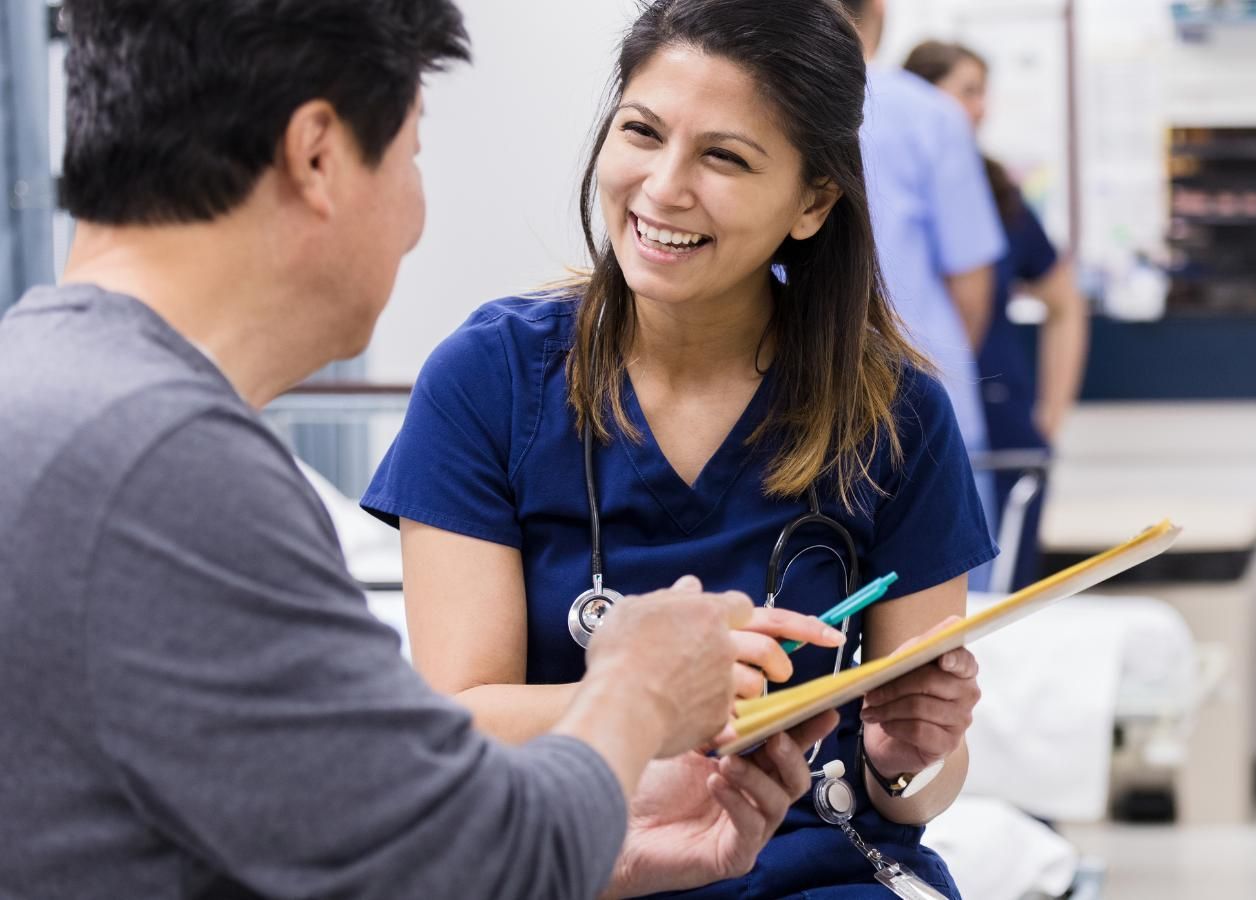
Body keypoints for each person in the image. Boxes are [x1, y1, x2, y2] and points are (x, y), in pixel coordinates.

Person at [0, 2, 831, 898]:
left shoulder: (46, 389)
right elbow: (454, 867)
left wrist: (619, 852)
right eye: (412, 154)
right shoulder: (165, 466)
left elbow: (343, 835)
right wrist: (641, 687)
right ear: (318, 155)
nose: (415, 218)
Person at [361, 0, 993, 895]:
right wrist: (664, 691)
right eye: (642, 132)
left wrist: (905, 756)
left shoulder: (897, 415)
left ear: (813, 201)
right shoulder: (489, 381)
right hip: (576, 861)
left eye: (723, 156)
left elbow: (917, 794)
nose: (662, 187)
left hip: (815, 872)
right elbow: (460, 723)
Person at [904, 39, 1090, 591]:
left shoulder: (996, 192)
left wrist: (1052, 415)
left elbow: (1065, 302)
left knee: (1005, 597)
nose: (980, 108)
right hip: (923, 419)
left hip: (1002, 423)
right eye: (966, 91)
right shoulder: (884, 183)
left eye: (983, 93)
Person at [841, 0, 1009, 554]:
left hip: (799, 411)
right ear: (879, 12)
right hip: (928, 408)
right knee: (947, 625)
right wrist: (939, 372)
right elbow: (970, 284)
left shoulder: (763, 106)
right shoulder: (931, 115)